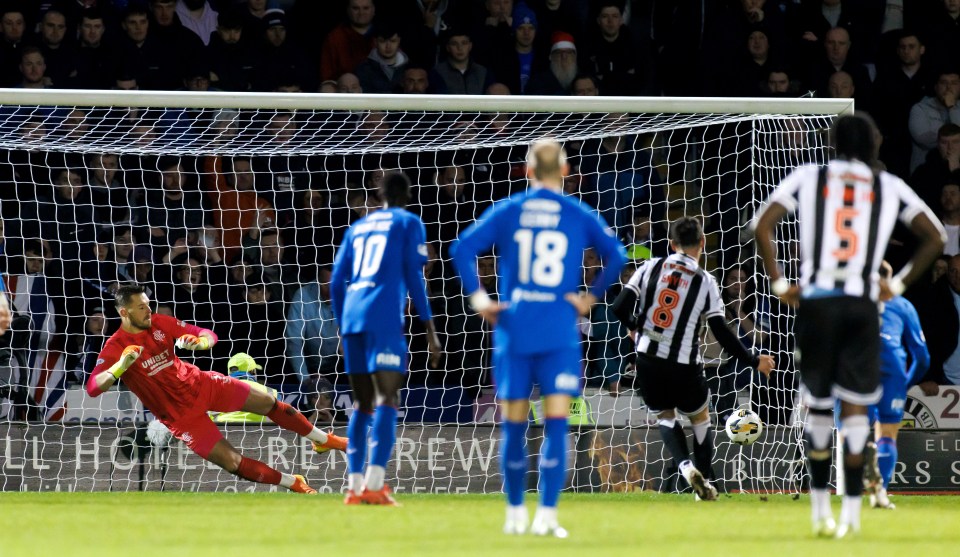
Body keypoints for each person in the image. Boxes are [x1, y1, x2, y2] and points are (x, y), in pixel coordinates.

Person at [754, 113, 946, 538]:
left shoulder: (809, 175)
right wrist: (894, 285)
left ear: (834, 141)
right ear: (874, 143)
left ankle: (820, 510)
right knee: (857, 411)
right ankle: (853, 517)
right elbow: (936, 236)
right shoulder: (888, 185)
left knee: (820, 408)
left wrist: (780, 280)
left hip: (818, 303)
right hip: (862, 305)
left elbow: (761, 224)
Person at [451, 138, 626, 537]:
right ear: (566, 172)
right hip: (558, 332)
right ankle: (547, 515)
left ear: (527, 172)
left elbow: (461, 248)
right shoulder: (577, 212)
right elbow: (616, 255)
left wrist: (480, 298)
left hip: (513, 330)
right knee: (556, 425)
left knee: (513, 426)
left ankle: (515, 514)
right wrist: (590, 299)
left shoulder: (509, 210)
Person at [86, 284, 348, 493]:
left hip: (203, 385)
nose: (148, 311)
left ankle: (323, 440)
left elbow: (208, 334)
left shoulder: (160, 323)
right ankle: (294, 483)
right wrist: (120, 366)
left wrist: (199, 344)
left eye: (148, 305)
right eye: (141, 307)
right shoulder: (115, 347)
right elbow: (93, 388)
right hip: (181, 416)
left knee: (268, 402)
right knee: (233, 463)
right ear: (124, 312)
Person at [611, 218, 774, 500]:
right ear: (701, 244)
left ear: (672, 244)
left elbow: (618, 306)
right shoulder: (705, 281)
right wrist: (753, 359)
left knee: (665, 416)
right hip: (685, 364)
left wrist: (634, 323)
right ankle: (702, 485)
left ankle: (685, 467)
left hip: (648, 359)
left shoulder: (649, 267)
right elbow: (722, 333)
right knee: (701, 420)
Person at [331, 172, 442, 506]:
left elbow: (337, 281)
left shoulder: (358, 226)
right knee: (387, 400)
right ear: (407, 196)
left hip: (353, 316)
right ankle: (375, 484)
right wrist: (429, 328)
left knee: (362, 404)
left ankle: (353, 486)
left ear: (379, 196)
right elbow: (413, 275)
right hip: (383, 317)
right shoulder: (409, 222)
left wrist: (343, 323)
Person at [862, 261, 929, 509]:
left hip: (858, 366)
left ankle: (849, 485)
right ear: (890, 279)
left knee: (852, 431)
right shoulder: (902, 305)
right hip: (892, 367)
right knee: (887, 434)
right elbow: (922, 357)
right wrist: (904, 383)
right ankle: (880, 493)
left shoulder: (853, 300)